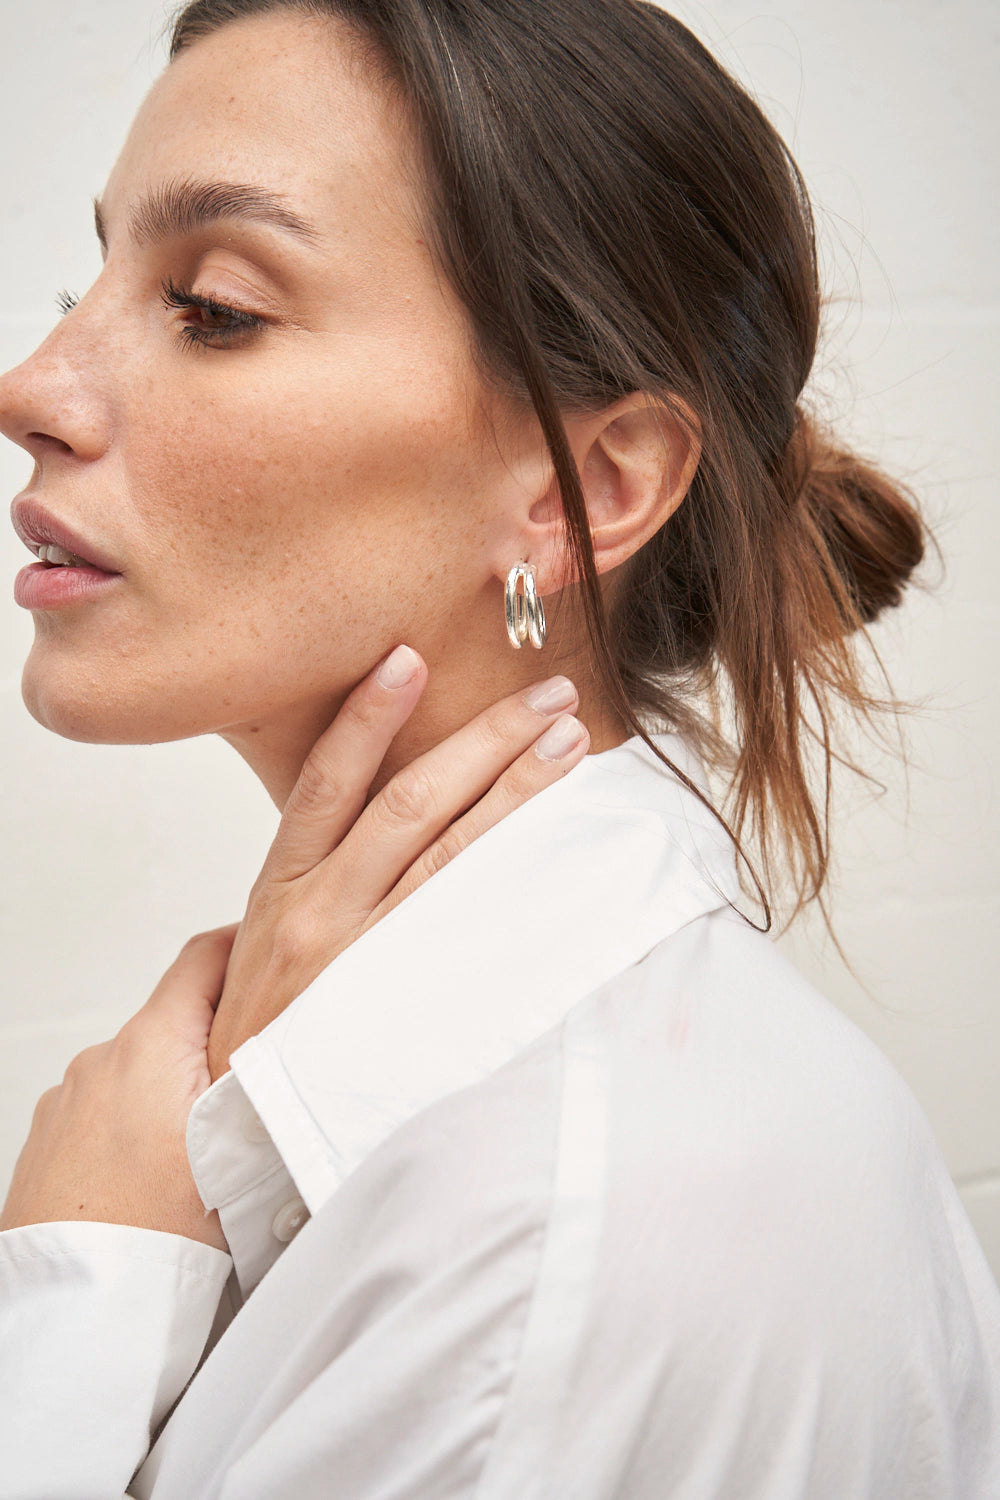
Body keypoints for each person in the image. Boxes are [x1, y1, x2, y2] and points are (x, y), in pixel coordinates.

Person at [0, 0, 997, 1495]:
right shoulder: (401, 1104)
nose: (30, 388)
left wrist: (83, 1281)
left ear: (586, 490)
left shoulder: (529, 1245)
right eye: (86, 285)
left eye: (213, 307)